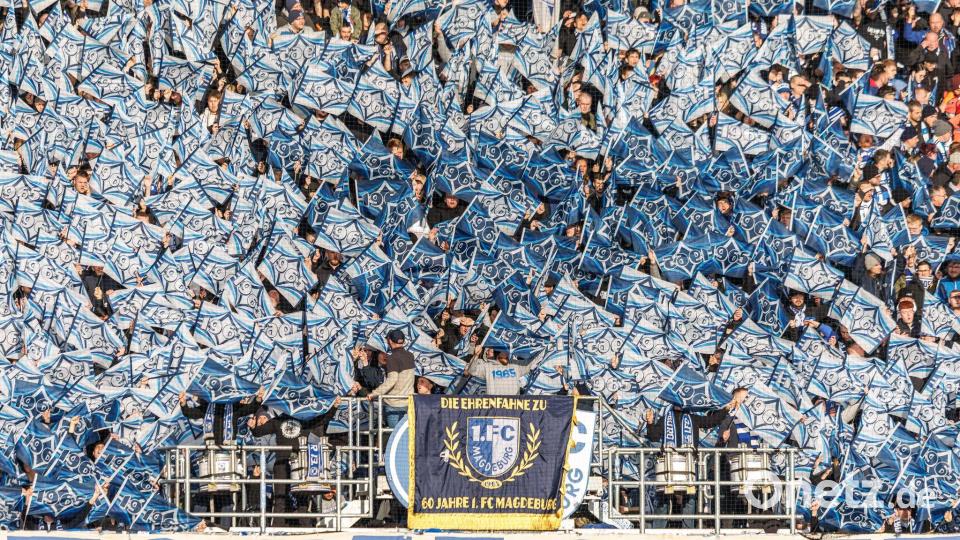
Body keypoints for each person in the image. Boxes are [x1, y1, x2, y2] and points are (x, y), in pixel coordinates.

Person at [644, 388, 749, 528]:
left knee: (690, 497)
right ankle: (658, 530)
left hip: (689, 463)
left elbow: (711, 421)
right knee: (663, 497)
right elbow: (654, 436)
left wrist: (725, 409)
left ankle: (689, 530)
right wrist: (650, 423)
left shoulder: (692, 418)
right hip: (669, 464)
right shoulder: (665, 419)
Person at [366, 329, 415, 428]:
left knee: (394, 435)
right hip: (408, 401)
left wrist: (374, 393)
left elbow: (392, 380)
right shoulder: (410, 356)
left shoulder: (392, 358)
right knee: (405, 436)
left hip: (394, 403)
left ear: (390, 341)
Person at [467, 350, 532, 395]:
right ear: (498, 353)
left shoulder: (516, 365)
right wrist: (476, 355)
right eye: (504, 351)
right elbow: (471, 370)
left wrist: (541, 347)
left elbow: (532, 363)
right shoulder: (487, 366)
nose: (507, 353)